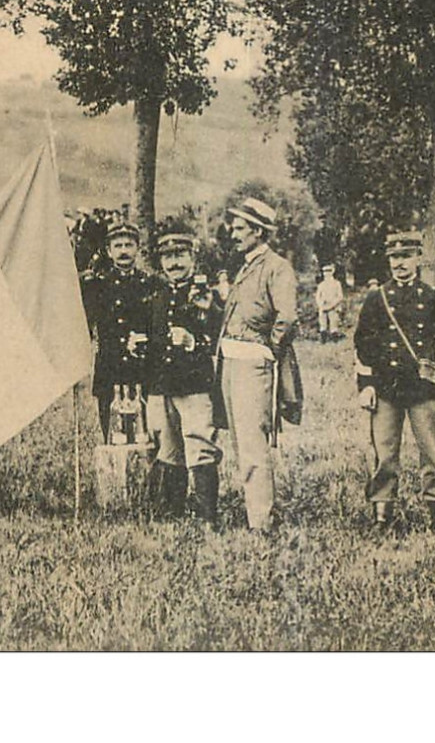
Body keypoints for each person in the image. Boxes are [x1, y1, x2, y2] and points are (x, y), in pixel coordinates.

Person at [353, 231, 435, 527]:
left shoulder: (432, 298)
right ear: (388, 260)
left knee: (431, 453)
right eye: (394, 258)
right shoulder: (377, 299)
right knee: (385, 453)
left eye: (406, 257)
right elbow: (363, 345)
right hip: (386, 388)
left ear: (417, 259)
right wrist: (366, 387)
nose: (400, 263)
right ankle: (382, 514)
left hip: (423, 389)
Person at [218, 197, 303, 532]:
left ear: (258, 231)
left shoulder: (277, 267)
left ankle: (261, 522)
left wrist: (269, 349)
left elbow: (287, 317)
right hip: (230, 360)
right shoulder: (245, 265)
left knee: (254, 444)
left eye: (240, 228)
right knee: (240, 441)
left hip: (254, 363)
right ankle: (255, 512)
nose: (233, 234)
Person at [144, 224, 223, 523]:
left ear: (192, 257)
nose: (174, 263)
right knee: (168, 446)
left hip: (194, 383)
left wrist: (195, 341)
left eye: (180, 255)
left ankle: (206, 517)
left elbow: (220, 334)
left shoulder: (207, 295)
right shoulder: (156, 295)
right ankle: (172, 512)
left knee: (200, 445)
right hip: (161, 384)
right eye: (168, 257)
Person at [82, 221, 156, 445]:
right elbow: (84, 324)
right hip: (110, 368)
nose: (124, 251)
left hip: (142, 368)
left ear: (138, 248)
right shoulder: (97, 285)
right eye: (118, 245)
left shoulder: (150, 284)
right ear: (108, 250)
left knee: (146, 434)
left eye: (129, 245)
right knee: (113, 435)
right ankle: (114, 479)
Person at [315, 264, 345, 342]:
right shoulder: (321, 285)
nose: (327, 273)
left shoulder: (336, 283)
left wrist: (333, 304)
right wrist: (321, 304)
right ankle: (323, 339)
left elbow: (340, 296)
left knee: (334, 322)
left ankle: (334, 339)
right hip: (323, 306)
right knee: (322, 322)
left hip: (333, 306)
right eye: (325, 272)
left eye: (329, 271)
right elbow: (318, 296)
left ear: (332, 272)